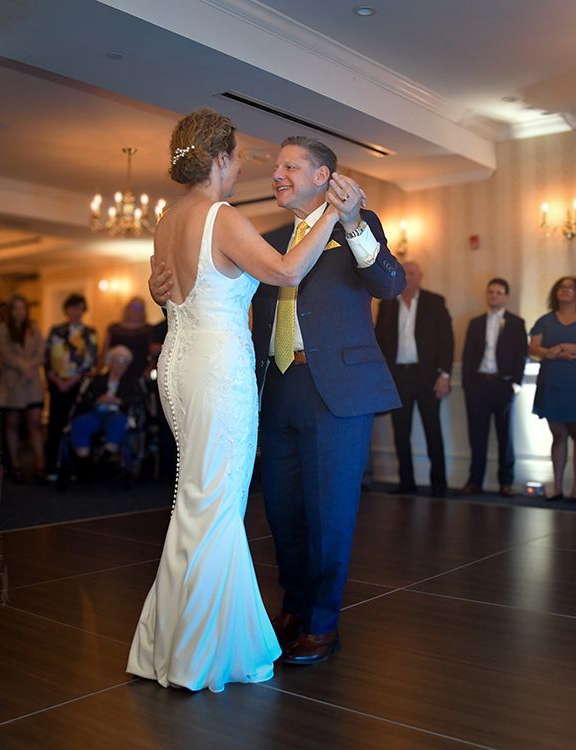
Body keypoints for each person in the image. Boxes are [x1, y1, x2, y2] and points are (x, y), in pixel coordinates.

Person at [129, 110, 370, 691]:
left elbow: (164, 287)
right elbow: (287, 272)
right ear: (217, 159)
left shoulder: (167, 218)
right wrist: (336, 211)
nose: (245, 168)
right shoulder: (222, 216)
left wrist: (160, 291)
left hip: (179, 366)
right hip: (216, 371)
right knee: (214, 507)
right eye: (238, 157)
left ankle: (168, 643)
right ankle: (198, 655)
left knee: (195, 499)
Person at [375, 259, 454, 496]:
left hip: (428, 376)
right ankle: (406, 482)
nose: (408, 278)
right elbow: (380, 340)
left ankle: (439, 485)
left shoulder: (435, 302)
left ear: (421, 276)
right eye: (404, 274)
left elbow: (447, 341)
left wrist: (445, 375)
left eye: (412, 273)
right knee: (401, 432)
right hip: (398, 377)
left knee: (433, 430)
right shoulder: (388, 304)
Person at [530, 276, 576, 503]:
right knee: (558, 435)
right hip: (552, 382)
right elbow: (533, 347)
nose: (565, 291)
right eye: (561, 288)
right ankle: (557, 487)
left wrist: (561, 346)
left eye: (570, 288)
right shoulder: (545, 320)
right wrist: (554, 354)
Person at [460, 278, 528, 497]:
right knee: (476, 436)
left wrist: (516, 384)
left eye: (499, 292)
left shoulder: (516, 323)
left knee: (504, 436)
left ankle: (505, 482)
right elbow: (467, 356)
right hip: (478, 385)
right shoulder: (475, 323)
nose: (494, 296)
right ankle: (475, 481)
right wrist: (467, 386)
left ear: (506, 296)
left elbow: (521, 355)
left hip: (503, 385)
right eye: (491, 292)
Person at [0, 295, 46, 482]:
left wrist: (31, 368)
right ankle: (15, 465)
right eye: (16, 308)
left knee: (35, 424)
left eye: (22, 308)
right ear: (11, 311)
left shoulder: (34, 329)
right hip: (13, 384)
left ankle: (40, 465)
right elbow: (5, 354)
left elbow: (41, 352)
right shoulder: (2, 330)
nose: (19, 312)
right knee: (12, 425)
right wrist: (26, 368)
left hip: (32, 384)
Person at [44, 295, 97, 481]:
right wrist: (57, 381)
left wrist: (73, 380)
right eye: (73, 308)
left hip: (78, 387)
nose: (76, 312)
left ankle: (73, 467)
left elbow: (90, 361)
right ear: (66, 309)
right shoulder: (55, 331)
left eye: (80, 308)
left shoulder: (89, 333)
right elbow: (47, 359)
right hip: (57, 386)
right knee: (55, 425)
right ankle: (52, 466)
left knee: (76, 424)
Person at [66, 345, 147, 459]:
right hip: (96, 412)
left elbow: (138, 399)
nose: (120, 364)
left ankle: (107, 456)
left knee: (118, 421)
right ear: (109, 362)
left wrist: (119, 401)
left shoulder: (132, 382)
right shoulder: (96, 380)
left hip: (118, 413)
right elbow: (84, 399)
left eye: (123, 361)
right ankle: (82, 459)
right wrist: (98, 400)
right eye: (116, 360)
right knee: (80, 422)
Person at [107, 297, 156, 381]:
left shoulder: (149, 329)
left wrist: (150, 369)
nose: (136, 311)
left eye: (140, 308)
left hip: (140, 373)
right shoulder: (114, 329)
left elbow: (153, 354)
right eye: (134, 307)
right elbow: (106, 351)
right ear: (127, 308)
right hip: (117, 373)